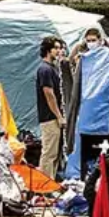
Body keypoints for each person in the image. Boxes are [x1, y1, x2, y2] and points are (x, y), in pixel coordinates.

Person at [36, 36, 65, 180]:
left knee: (54, 153)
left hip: (53, 117)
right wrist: (58, 116)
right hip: (49, 118)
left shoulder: (53, 68)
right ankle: (44, 186)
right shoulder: (45, 69)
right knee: (48, 153)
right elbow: (49, 93)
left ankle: (50, 183)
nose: (59, 51)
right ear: (48, 50)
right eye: (56, 48)